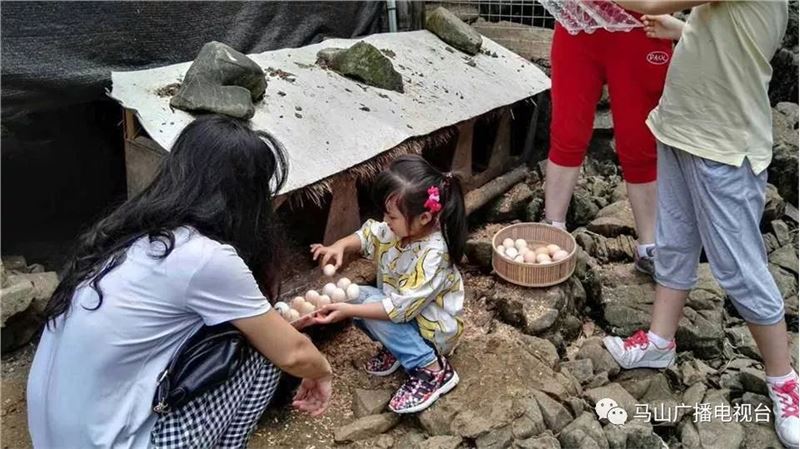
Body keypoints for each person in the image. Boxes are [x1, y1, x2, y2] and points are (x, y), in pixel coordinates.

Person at [27, 115, 333, 449]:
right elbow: (293, 353)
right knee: (261, 354)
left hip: (52, 436)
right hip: (106, 443)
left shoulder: (131, 234)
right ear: (248, 196)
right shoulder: (205, 257)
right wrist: (321, 372)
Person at [601, 2, 797, 447]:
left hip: (724, 147)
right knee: (674, 241)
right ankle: (660, 341)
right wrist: (684, 29)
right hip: (681, 129)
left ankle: (785, 382)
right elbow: (729, 38)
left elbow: (649, 2)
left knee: (740, 269)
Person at [310, 155, 466, 414]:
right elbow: (368, 234)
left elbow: (399, 310)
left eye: (391, 216)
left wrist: (348, 311)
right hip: (405, 313)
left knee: (359, 305)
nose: (385, 220)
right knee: (355, 295)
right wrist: (341, 246)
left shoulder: (434, 255)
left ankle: (433, 369)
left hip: (432, 332)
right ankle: (399, 349)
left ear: (425, 217)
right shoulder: (398, 230)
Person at [544, 7, 674, 276]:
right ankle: (552, 229)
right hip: (578, 22)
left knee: (641, 139)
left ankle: (650, 245)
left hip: (641, 26)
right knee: (567, 130)